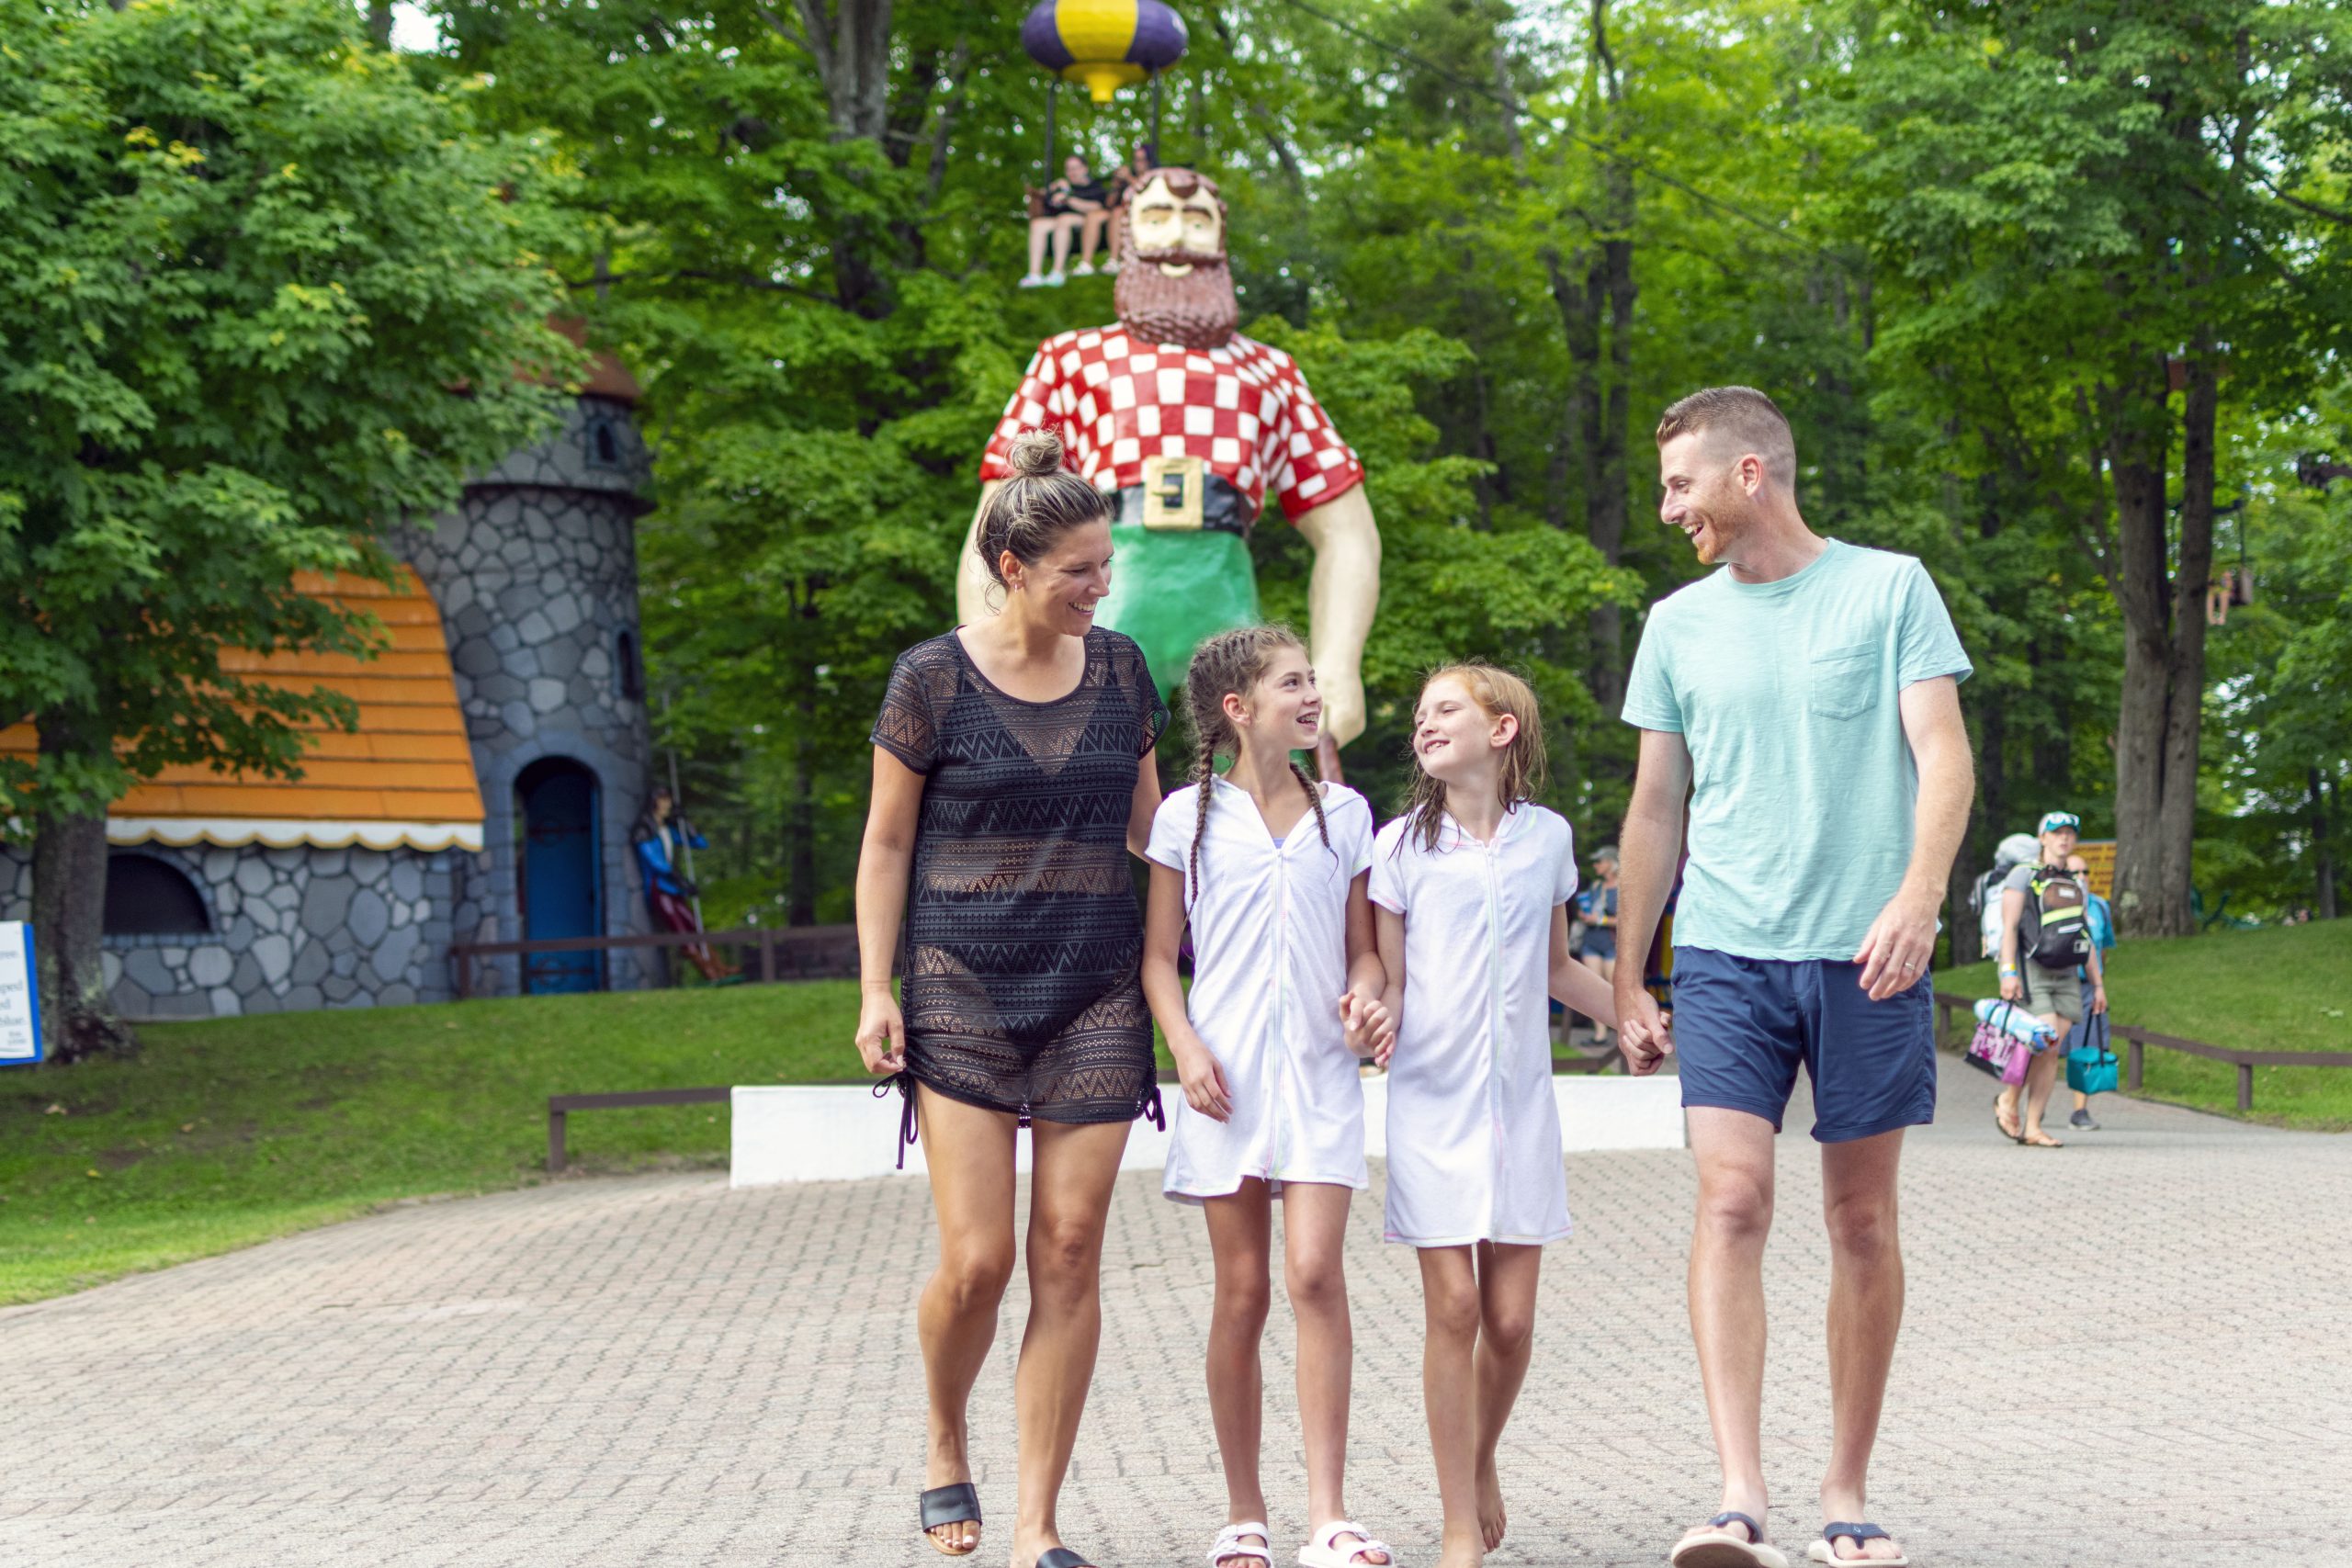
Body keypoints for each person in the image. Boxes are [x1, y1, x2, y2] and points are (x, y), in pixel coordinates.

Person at [1614, 387, 1974, 1568]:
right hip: (1725, 951)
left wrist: (1918, 899)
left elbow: (1943, 758)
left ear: (1751, 473)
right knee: (1730, 1201)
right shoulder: (1676, 624)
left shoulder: (1888, 589)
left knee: (1860, 1218)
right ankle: (1736, 1496)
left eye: (1682, 485)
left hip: (1864, 955)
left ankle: (1846, 1489)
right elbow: (1655, 806)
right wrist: (1628, 972)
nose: (1671, 508)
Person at [853, 428, 1168, 1568]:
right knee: (979, 1259)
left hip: (1093, 986)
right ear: (1013, 568)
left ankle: (1039, 1522)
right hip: (960, 985)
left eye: (1105, 566)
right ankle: (945, 1436)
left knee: (1070, 1250)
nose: (1100, 586)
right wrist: (872, 989)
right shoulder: (931, 678)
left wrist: (1282, 817)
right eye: (1079, 568)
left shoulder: (1125, 670)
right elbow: (886, 843)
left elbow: (1151, 830)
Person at [966, 167, 1383, 779]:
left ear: (1220, 241)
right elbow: (1000, 523)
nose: (1178, 237)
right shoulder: (1071, 360)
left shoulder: (1270, 372)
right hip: (1104, 584)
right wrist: (991, 653)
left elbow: (1347, 531)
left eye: (1197, 219)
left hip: (1222, 588)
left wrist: (1340, 666)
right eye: (1158, 218)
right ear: (1126, 236)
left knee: (1269, 772)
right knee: (1062, 773)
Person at [1141, 625, 1396, 1568]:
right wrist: (1186, 1048)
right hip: (1227, 1083)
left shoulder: (1347, 812)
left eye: (1311, 679)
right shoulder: (1185, 819)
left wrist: (1368, 996)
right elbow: (1158, 962)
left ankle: (1328, 1516)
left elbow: (1365, 946)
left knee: (1314, 1276)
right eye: (1292, 683)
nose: (1311, 693)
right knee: (1242, 1290)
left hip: (1322, 1077)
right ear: (1238, 710)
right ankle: (1242, 1513)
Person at [1368, 663, 1622, 1568]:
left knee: (1509, 1323)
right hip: (1430, 1107)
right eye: (1419, 713)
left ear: (1501, 729)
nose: (1423, 724)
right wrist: (1372, 1015)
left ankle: (1478, 1462)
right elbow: (1389, 982)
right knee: (1457, 1306)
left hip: (1520, 1109)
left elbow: (1557, 967)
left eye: (1445, 709)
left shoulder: (1546, 838)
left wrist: (1627, 1014)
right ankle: (1454, 1524)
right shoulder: (1396, 846)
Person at [1993, 812, 2107, 1148]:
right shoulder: (2022, 875)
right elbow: (2009, 928)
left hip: (2069, 974)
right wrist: (2008, 972)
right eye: (2057, 833)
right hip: (2034, 970)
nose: (2064, 839)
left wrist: (2098, 984)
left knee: (2051, 1049)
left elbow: (2084, 935)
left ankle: (2030, 1124)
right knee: (2043, 1038)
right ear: (2042, 838)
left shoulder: (2076, 882)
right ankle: (2010, 1100)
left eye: (2070, 834)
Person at [630, 786, 735, 981]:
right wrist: (680, 879)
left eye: (668, 801)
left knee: (694, 925)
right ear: (654, 803)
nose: (667, 805)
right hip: (659, 888)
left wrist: (685, 822)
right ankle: (709, 972)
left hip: (672, 888)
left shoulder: (667, 830)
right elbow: (656, 862)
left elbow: (700, 843)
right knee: (680, 931)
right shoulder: (644, 830)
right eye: (663, 801)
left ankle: (719, 967)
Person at [2064, 851, 2117, 1132]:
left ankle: (2080, 1111)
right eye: (2075, 873)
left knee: (2086, 1047)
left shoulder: (2100, 906)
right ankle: (2027, 1106)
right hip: (2058, 983)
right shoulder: (2052, 902)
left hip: (2087, 986)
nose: (2081, 878)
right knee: (2043, 1049)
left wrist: (2099, 984)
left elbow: (2103, 947)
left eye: (2085, 873)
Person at [1023, 154, 1109, 288]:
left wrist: (1068, 197)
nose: (1072, 172)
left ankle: (1058, 271)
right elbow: (1050, 209)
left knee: (1064, 219)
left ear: (1085, 169)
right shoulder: (1062, 186)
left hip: (1086, 221)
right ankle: (1034, 274)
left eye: (1075, 168)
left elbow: (1097, 207)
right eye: (1068, 169)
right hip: (1060, 221)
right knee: (1037, 224)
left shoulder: (1095, 187)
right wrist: (1047, 193)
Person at [1576, 844, 1622, 1048]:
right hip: (1591, 942)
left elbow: (1625, 921)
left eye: (1599, 862)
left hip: (1612, 943)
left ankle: (1624, 1032)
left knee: (1616, 989)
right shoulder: (1596, 886)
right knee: (1593, 987)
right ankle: (1600, 1035)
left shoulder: (1624, 887)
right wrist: (1585, 917)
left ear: (1611, 863)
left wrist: (1599, 920)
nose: (1595, 866)